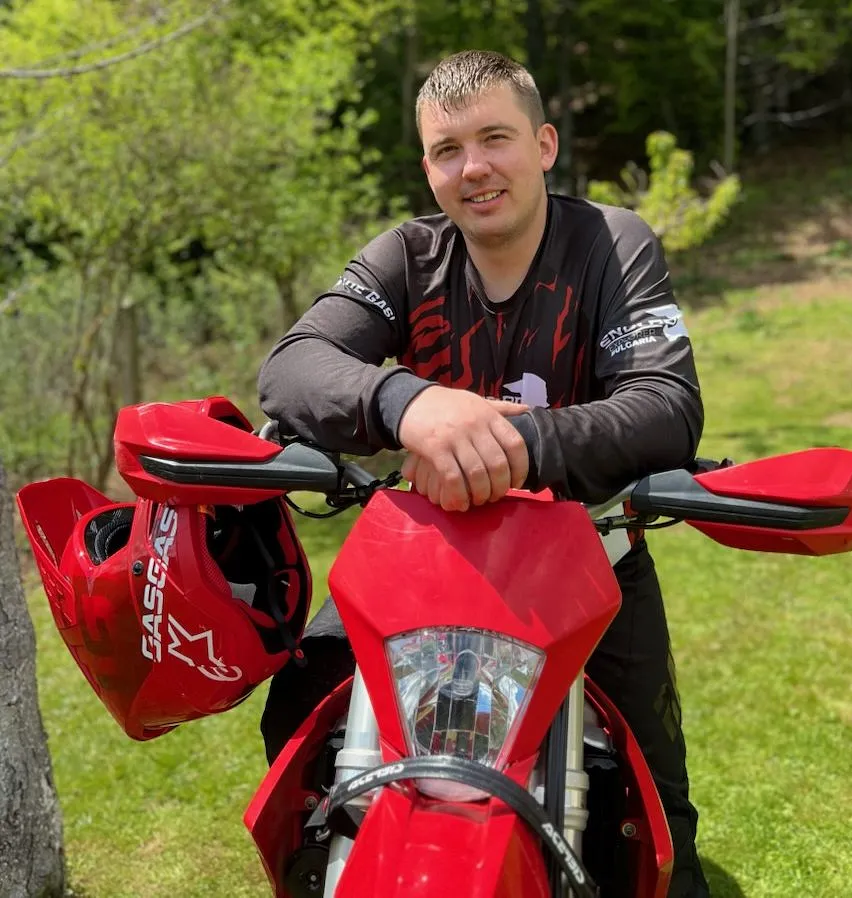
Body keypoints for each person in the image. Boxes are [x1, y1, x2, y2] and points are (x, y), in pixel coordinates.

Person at [257, 50, 709, 898]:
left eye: (495, 138)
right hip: (420, 561)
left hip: (589, 556)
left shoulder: (612, 243)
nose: (474, 168)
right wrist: (411, 405)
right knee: (297, 727)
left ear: (543, 144)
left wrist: (511, 444)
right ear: (428, 167)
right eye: (447, 150)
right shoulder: (405, 255)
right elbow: (292, 366)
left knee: (657, 814)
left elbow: (667, 405)